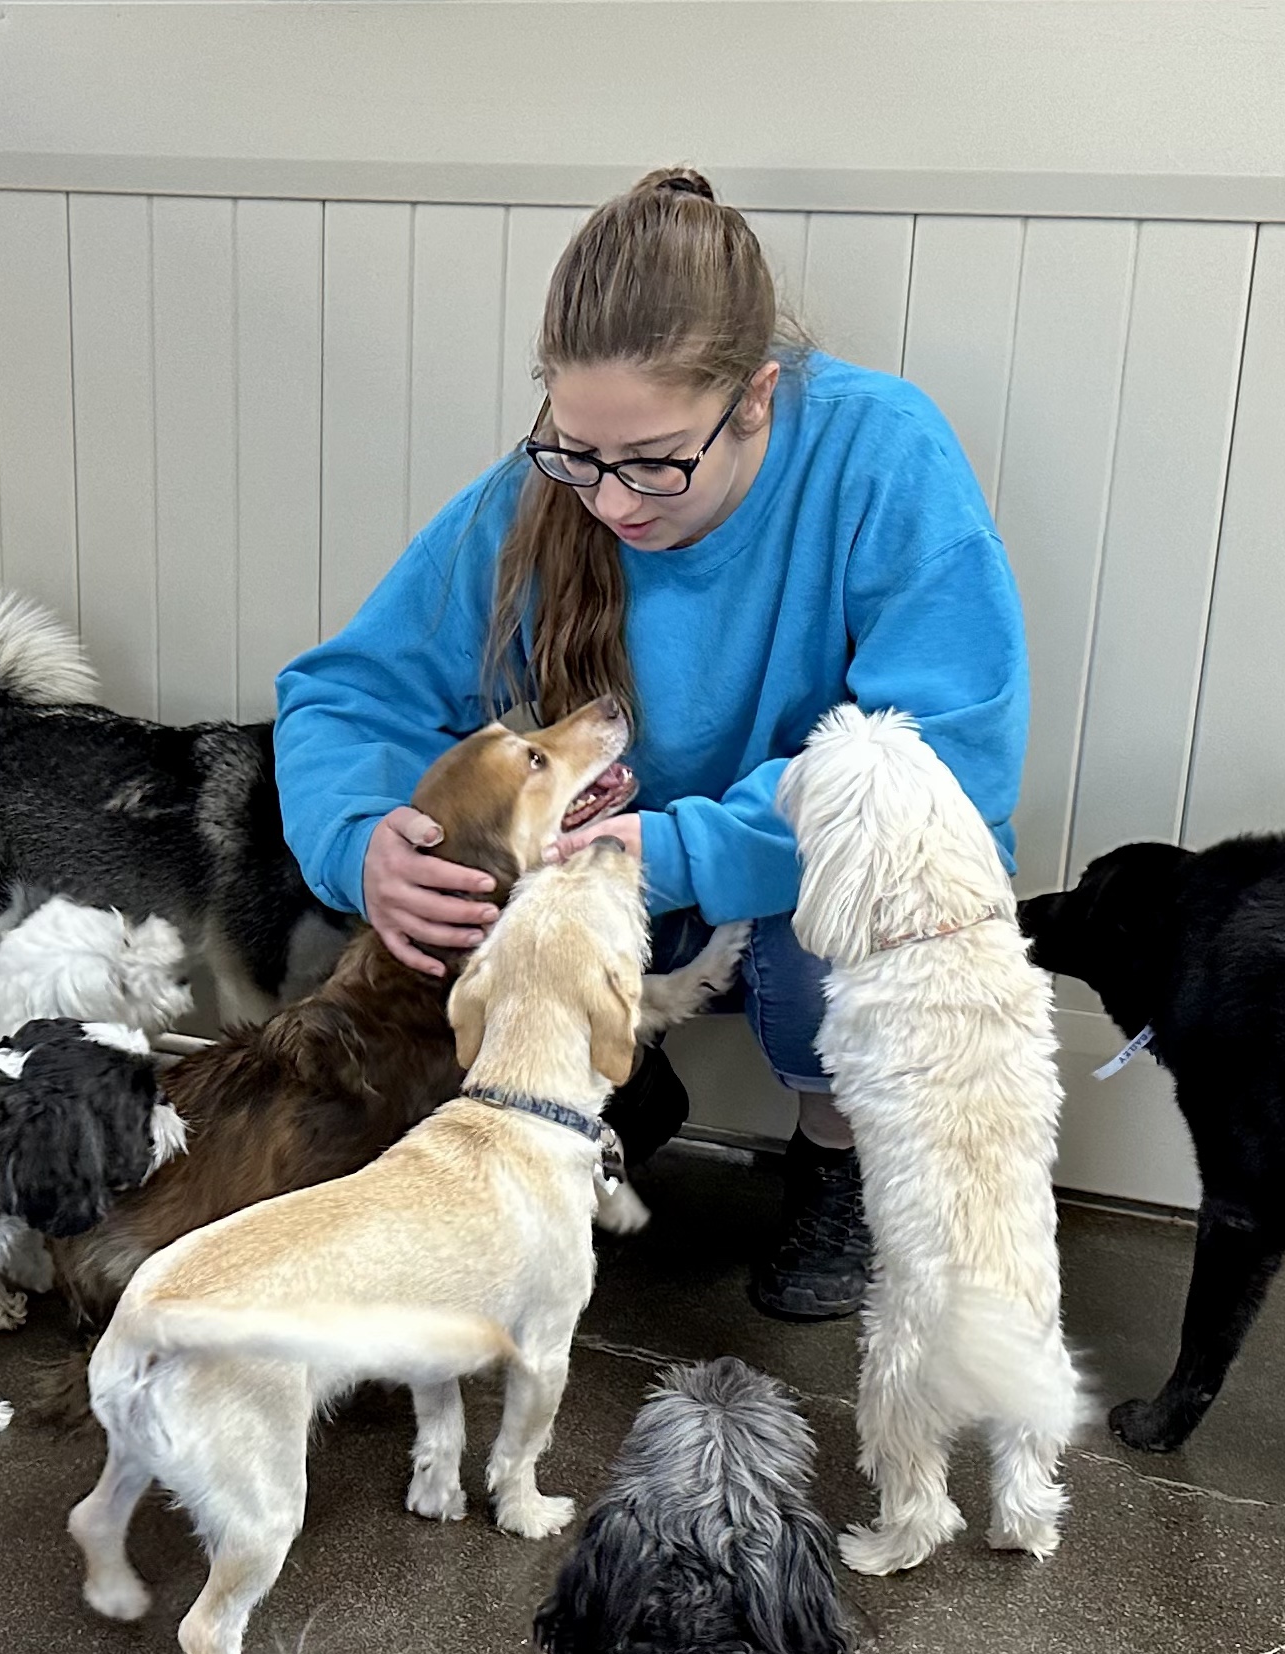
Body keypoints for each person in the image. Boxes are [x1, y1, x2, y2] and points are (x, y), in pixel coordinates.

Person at [274, 167, 1029, 1321]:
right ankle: (607, 1108)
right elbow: (342, 693)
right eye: (577, 454)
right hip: (619, 872)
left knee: (849, 921)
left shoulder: (883, 454)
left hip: (785, 877)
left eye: (655, 462)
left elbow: (946, 760)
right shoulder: (545, 490)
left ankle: (836, 1168)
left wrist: (667, 851)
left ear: (757, 398)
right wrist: (363, 837)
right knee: (439, 890)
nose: (614, 503)